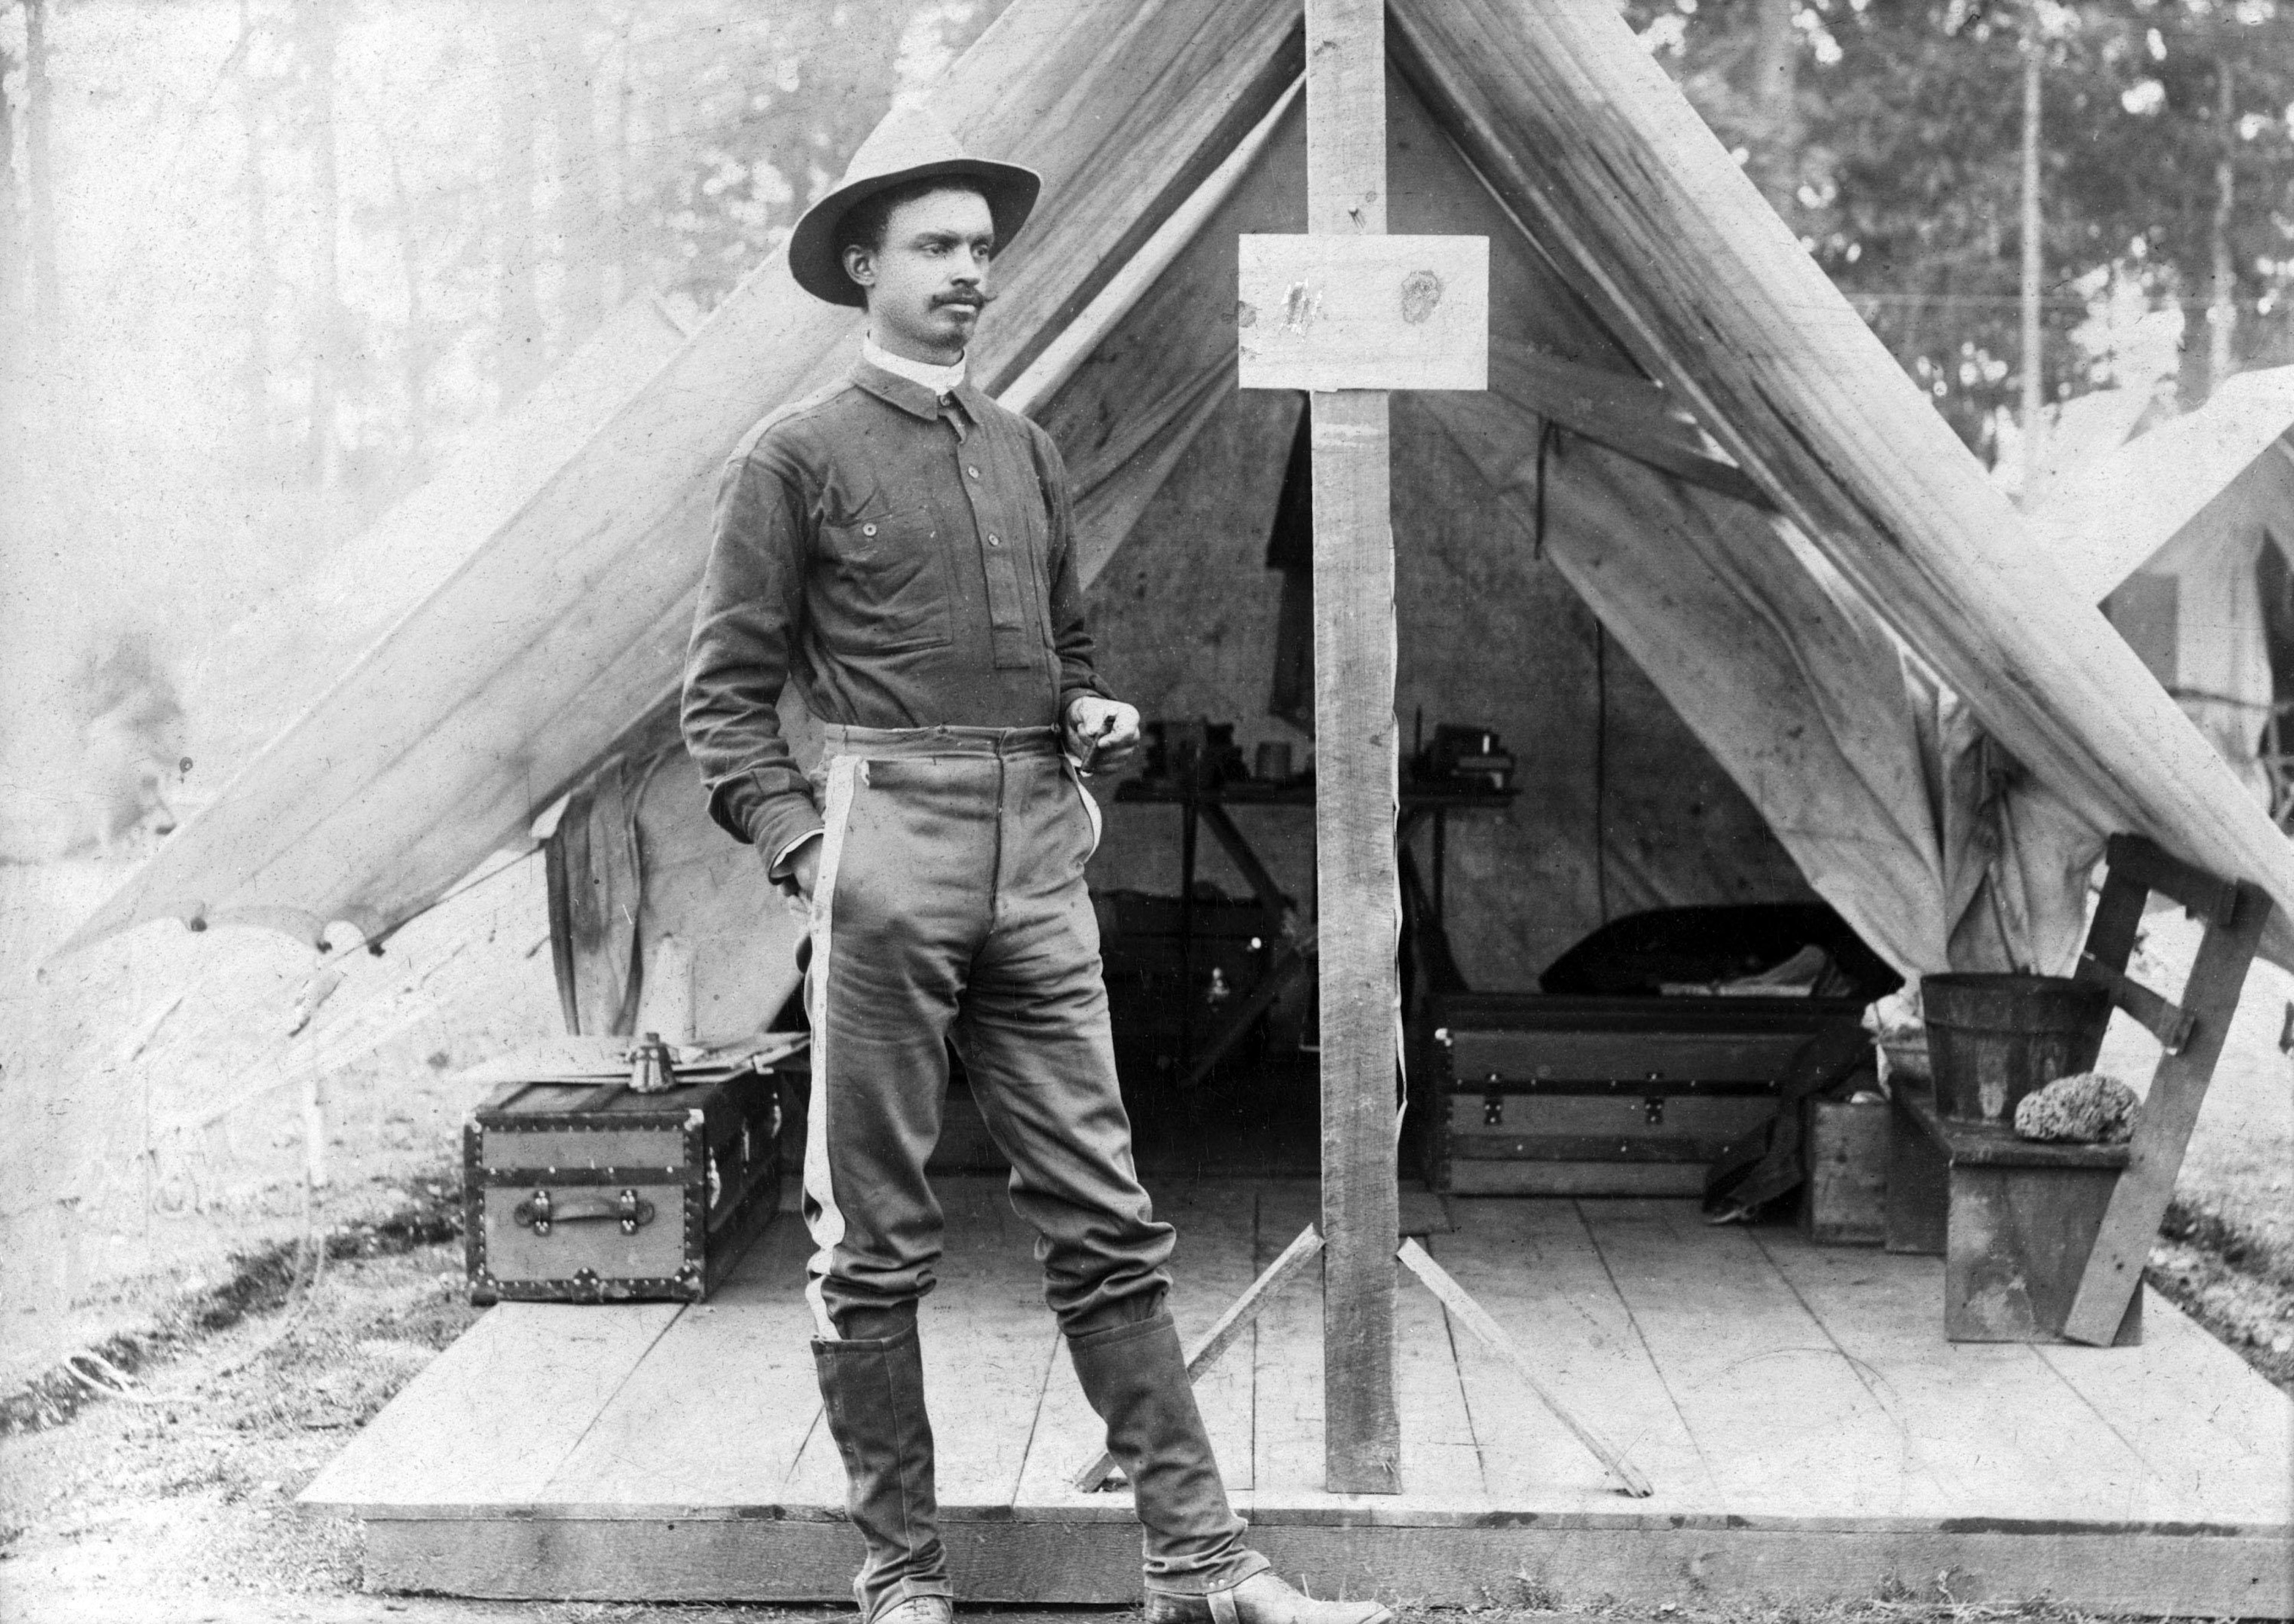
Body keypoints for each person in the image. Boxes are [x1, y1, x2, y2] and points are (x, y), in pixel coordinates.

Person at [681, 108, 1391, 1624]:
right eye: (934, 249)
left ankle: (1200, 1562)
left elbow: (1067, 653)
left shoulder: (1025, 450)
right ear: (862, 267)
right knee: (871, 1234)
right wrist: (813, 853)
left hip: (1038, 849)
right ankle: (903, 1573)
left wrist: (1091, 711)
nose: (966, 276)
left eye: (981, 253)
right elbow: (725, 703)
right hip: (886, 846)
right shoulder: (794, 457)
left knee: (1105, 1208)